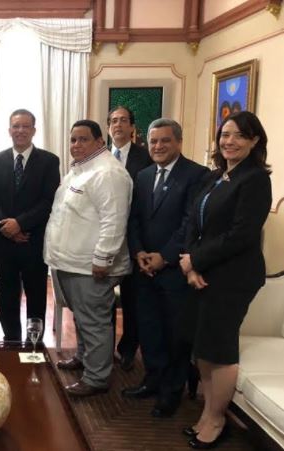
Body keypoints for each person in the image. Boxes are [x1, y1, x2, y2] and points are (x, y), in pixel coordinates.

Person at [180, 111, 271, 448]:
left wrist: (196, 260)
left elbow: (241, 235)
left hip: (233, 277)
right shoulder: (215, 176)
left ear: (254, 140)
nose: (229, 142)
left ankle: (217, 420)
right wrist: (190, 265)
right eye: (225, 135)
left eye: (238, 135)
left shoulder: (256, 179)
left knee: (220, 348)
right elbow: (193, 221)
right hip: (203, 273)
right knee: (203, 348)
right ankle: (207, 412)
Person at [121, 119, 207, 418]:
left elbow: (190, 223)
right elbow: (133, 219)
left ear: (178, 142)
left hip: (174, 270)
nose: (158, 147)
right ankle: (152, 380)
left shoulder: (197, 175)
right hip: (144, 268)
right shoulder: (143, 176)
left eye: (165, 141)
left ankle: (171, 392)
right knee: (150, 329)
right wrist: (139, 252)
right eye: (153, 141)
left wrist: (165, 256)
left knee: (175, 334)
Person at [45, 119, 132, 397]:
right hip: (69, 261)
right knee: (82, 318)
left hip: (90, 266)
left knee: (94, 322)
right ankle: (83, 358)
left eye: (83, 139)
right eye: (73, 140)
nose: (76, 145)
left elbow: (114, 220)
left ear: (99, 141)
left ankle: (96, 377)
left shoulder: (108, 173)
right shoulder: (81, 170)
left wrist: (103, 258)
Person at [0, 109, 60, 341]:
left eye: (25, 126)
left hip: (33, 242)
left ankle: (33, 346)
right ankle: (11, 343)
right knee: (7, 298)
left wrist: (20, 224)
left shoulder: (49, 161)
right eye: (16, 126)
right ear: (9, 130)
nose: (20, 131)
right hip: (3, 242)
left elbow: (49, 201)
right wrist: (7, 226)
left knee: (36, 298)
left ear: (33, 130)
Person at [107, 105, 152, 371]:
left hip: (134, 239)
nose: (118, 125)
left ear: (132, 127)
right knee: (104, 299)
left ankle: (128, 349)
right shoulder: (99, 156)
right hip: (105, 240)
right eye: (114, 121)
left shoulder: (145, 158)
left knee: (132, 298)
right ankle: (104, 349)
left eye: (124, 121)